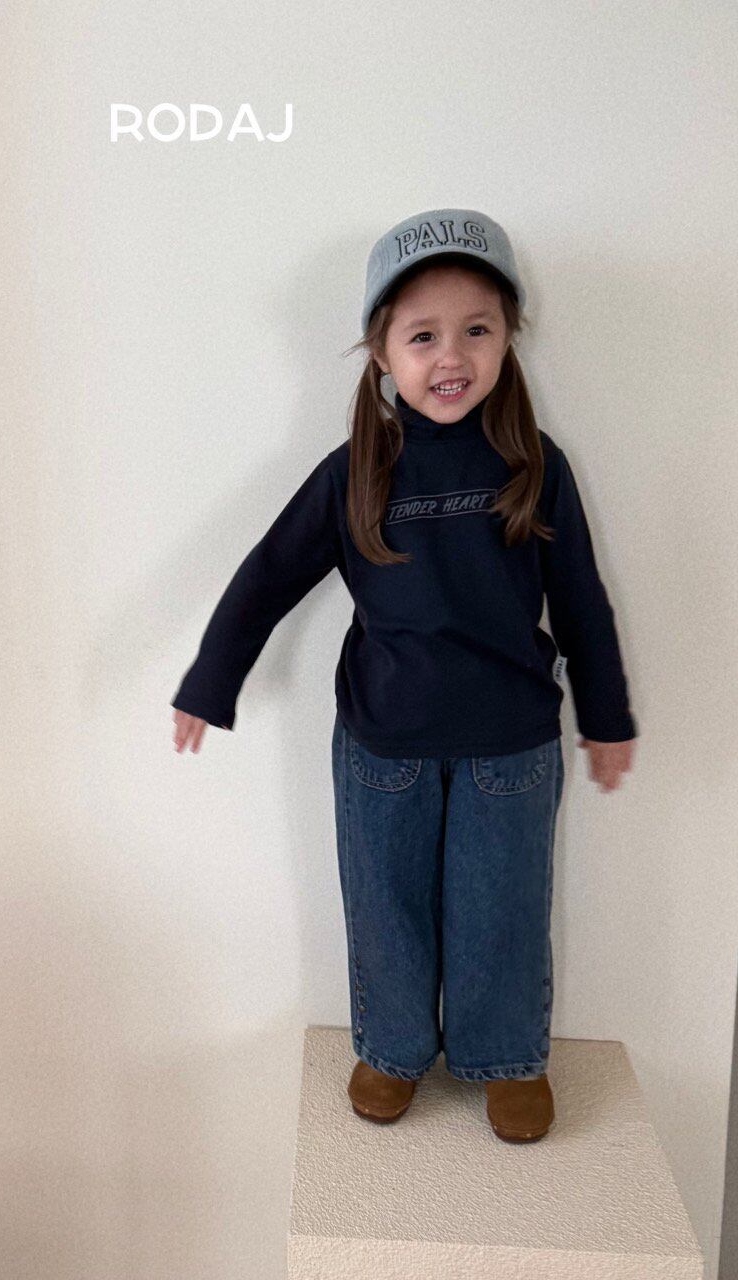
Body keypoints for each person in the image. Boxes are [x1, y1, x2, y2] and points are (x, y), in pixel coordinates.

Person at [169, 208, 636, 1142]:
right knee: (387, 910)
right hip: (383, 748)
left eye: (476, 329)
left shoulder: (537, 467)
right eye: (423, 336)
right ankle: (390, 1050)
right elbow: (267, 576)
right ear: (381, 352)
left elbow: (581, 600)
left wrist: (607, 715)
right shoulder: (356, 473)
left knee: (501, 911)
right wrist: (209, 683)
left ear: (508, 338)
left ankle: (506, 1059)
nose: (450, 356)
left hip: (512, 749)